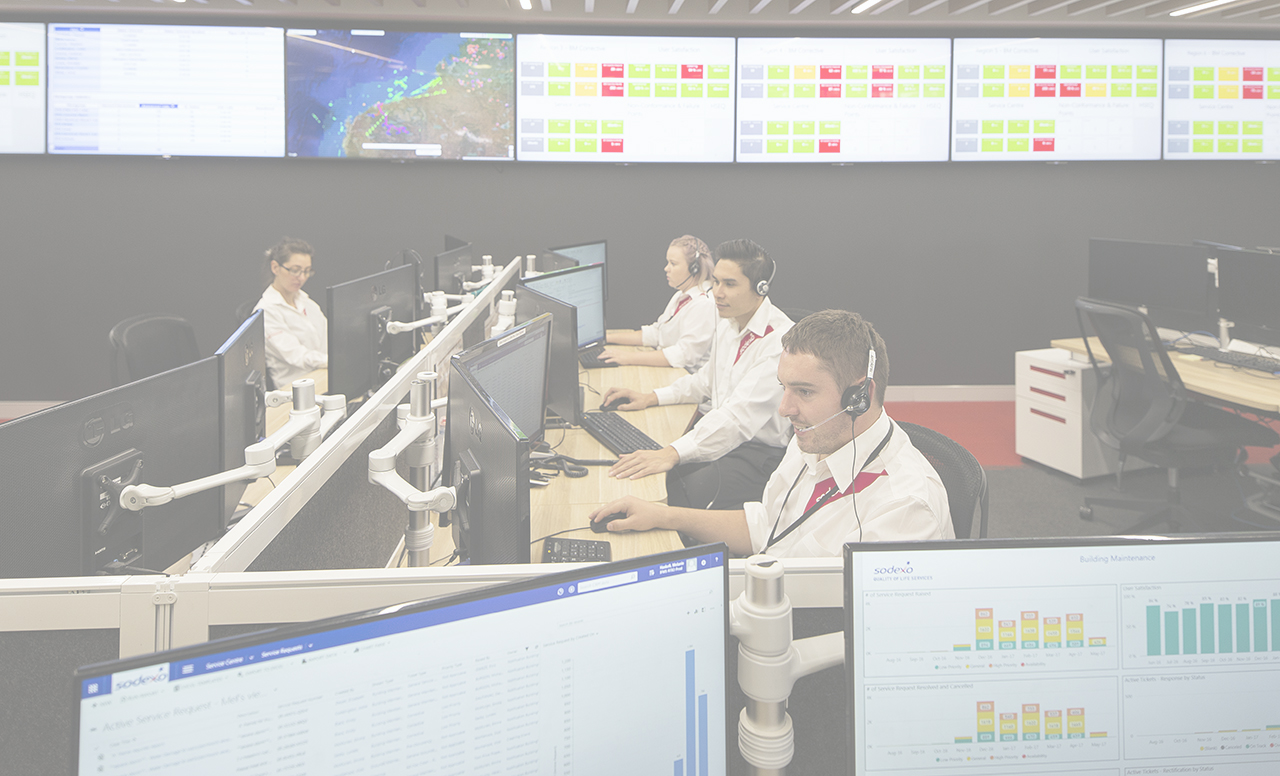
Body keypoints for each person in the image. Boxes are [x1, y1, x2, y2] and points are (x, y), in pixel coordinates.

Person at [588, 310, 954, 558]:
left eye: (805, 392)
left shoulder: (905, 509)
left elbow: (862, 641)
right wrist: (664, 516)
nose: (785, 409)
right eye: (784, 388)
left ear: (861, 396)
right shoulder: (815, 439)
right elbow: (767, 524)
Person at [600, 239, 794, 511]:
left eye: (730, 284)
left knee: (679, 497)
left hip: (757, 455)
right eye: (715, 282)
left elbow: (737, 419)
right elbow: (704, 381)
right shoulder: (730, 323)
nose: (717, 292)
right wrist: (651, 397)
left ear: (761, 289)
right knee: (659, 479)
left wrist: (671, 453)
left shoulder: (778, 343)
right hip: (723, 440)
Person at [598, 235, 716, 370]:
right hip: (671, 372)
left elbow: (682, 355)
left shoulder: (704, 304)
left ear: (694, 268)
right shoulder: (681, 295)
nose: (667, 268)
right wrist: (606, 338)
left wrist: (627, 357)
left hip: (685, 377)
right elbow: (657, 334)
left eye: (673, 263)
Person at [255, 237, 327, 389]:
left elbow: (328, 339)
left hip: (321, 377)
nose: (301, 278)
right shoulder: (266, 311)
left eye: (307, 271)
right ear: (275, 268)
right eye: (295, 270)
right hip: (294, 390)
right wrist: (331, 361)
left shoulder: (307, 302)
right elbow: (297, 356)